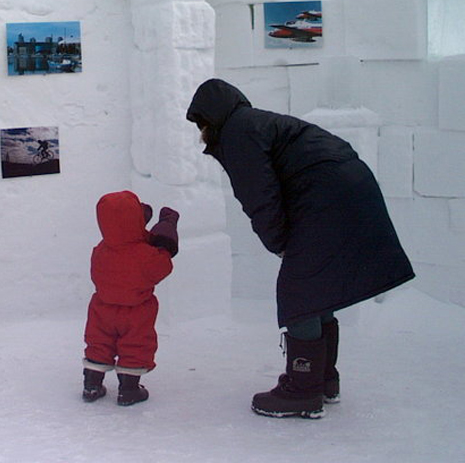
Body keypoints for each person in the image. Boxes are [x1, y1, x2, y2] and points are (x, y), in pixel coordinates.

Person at [186, 78, 415, 419]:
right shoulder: (255, 122)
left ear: (211, 117)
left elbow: (259, 195)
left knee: (300, 290)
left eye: (200, 123)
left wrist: (279, 243)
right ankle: (323, 379)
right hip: (347, 186)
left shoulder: (238, 132)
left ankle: (303, 389)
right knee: (316, 287)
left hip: (328, 195)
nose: (201, 132)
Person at [82, 190, 179, 406]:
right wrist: (165, 238)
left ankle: (91, 384)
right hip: (136, 311)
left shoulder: (100, 250)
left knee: (99, 342)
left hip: (102, 309)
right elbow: (162, 267)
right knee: (136, 345)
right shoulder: (145, 255)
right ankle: (129, 389)